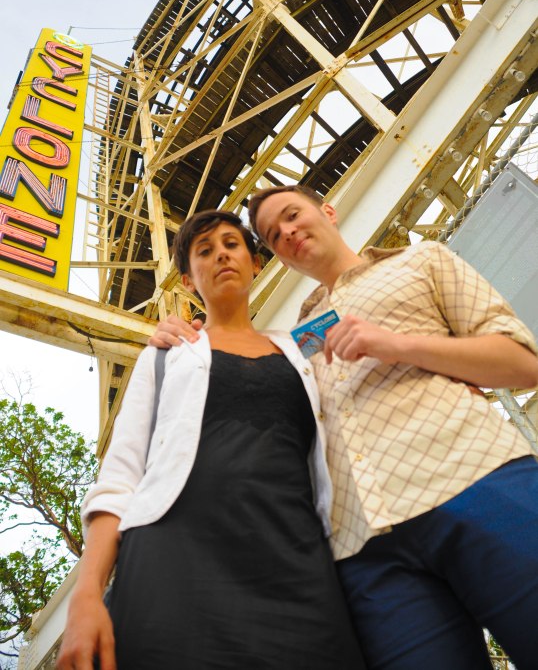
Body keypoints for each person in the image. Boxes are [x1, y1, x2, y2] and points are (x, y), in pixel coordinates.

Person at [152, 186, 538, 670]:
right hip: (364, 549)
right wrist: (183, 341)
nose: (286, 232)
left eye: (292, 215)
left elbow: (522, 363)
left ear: (328, 212)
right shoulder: (293, 342)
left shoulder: (422, 261)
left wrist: (395, 345)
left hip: (475, 481)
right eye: (272, 235)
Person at [56, 209, 365, 670]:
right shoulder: (165, 356)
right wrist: (86, 595)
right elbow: (119, 477)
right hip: (171, 562)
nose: (221, 254)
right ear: (187, 280)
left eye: (231, 244)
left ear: (256, 262)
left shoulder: (302, 351)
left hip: (296, 562)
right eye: (205, 250)